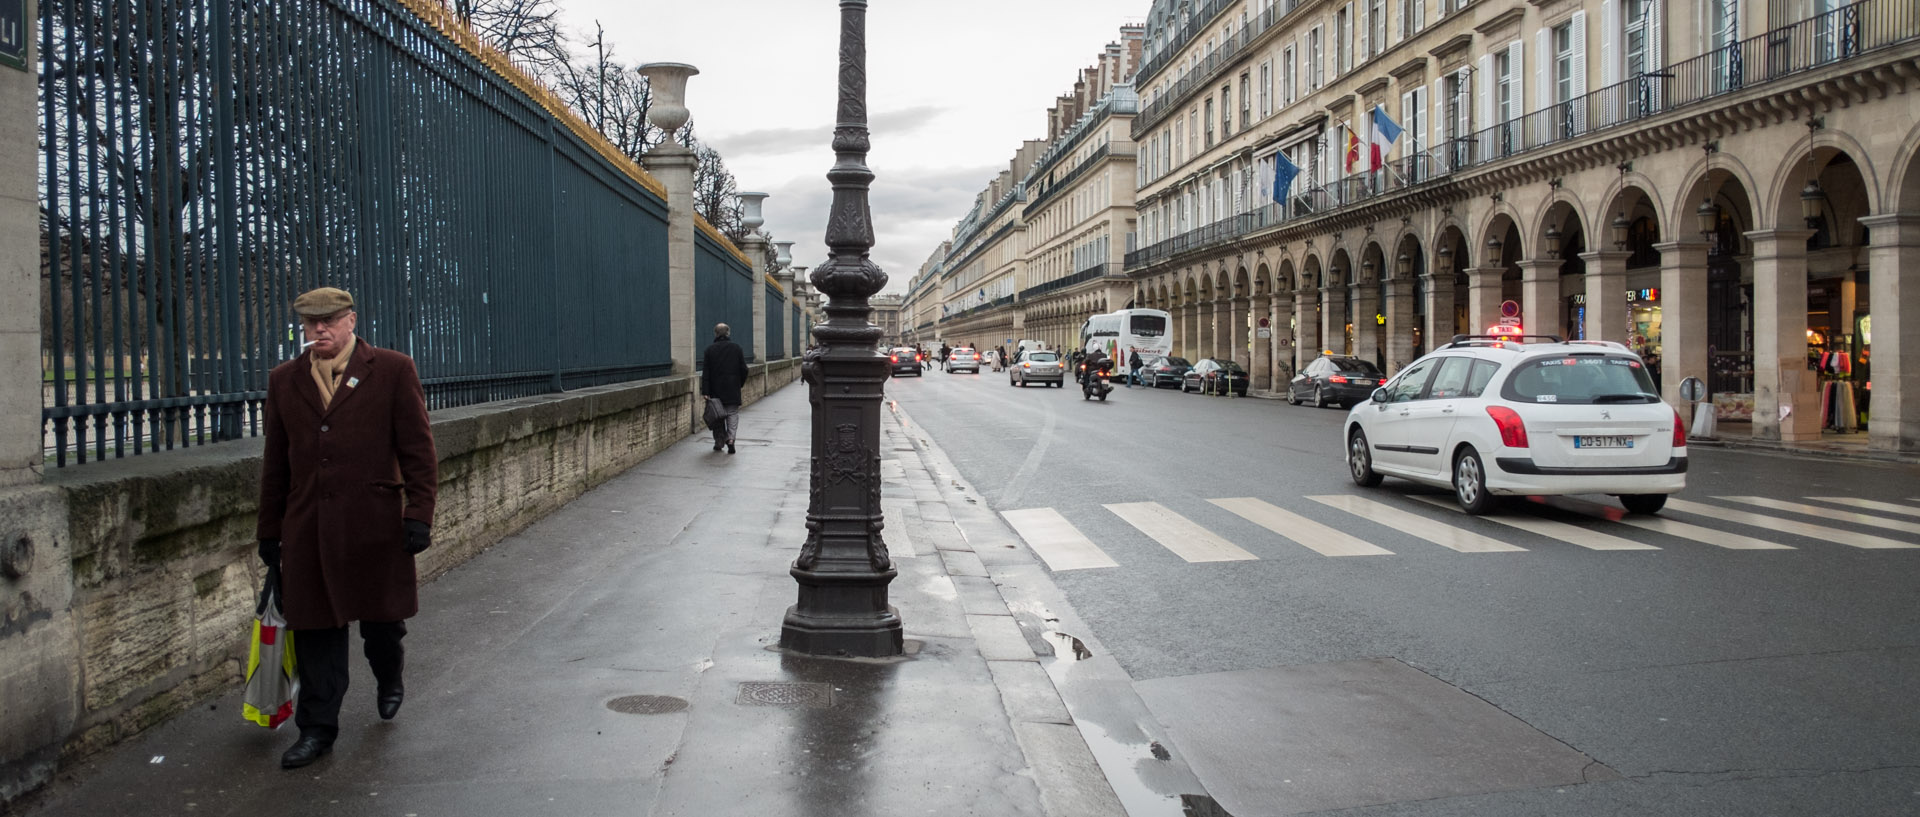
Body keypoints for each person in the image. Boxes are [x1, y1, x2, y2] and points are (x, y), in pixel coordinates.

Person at [257, 287, 438, 770]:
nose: (320, 330)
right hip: (308, 529)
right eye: (311, 323)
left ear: (351, 320)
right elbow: (275, 462)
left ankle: (389, 677)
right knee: (316, 631)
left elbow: (419, 451)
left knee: (381, 626)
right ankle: (317, 730)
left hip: (374, 526)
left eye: (330, 321)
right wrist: (268, 531)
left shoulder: (393, 370)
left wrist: (418, 514)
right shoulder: (284, 381)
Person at [701, 323, 750, 454]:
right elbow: (744, 369)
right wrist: (739, 383)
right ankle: (731, 439)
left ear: (715, 334)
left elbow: (706, 372)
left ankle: (719, 441)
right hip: (732, 388)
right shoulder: (736, 348)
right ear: (728, 333)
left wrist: (705, 391)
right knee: (732, 414)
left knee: (717, 416)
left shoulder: (709, 350)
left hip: (715, 390)